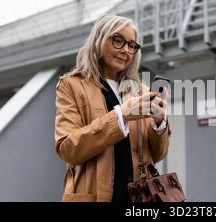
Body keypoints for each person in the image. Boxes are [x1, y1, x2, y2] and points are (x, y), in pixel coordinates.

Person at [54, 15, 170, 202]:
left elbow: (158, 155)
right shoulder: (71, 85)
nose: (125, 50)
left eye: (132, 45)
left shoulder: (141, 91)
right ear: (99, 41)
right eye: (117, 40)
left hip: (138, 198)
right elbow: (68, 150)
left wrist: (159, 123)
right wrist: (120, 117)